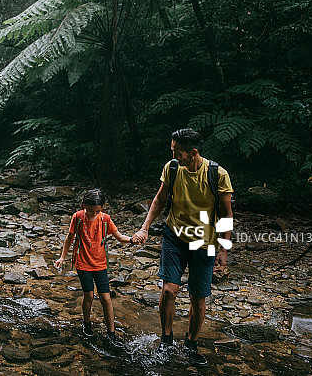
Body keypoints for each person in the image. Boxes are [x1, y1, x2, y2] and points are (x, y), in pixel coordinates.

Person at [131, 128, 233, 367]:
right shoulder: (172, 168)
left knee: (198, 298)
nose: (173, 154)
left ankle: (191, 343)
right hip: (174, 236)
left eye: (177, 152)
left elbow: (226, 213)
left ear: (193, 152)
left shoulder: (218, 174)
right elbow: (160, 199)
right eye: (173, 150)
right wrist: (145, 227)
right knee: (168, 290)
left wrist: (223, 248)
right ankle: (166, 340)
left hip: (203, 241)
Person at [54, 189, 132, 341]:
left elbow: (120, 237)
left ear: (102, 208)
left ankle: (111, 332)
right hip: (82, 262)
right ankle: (87, 323)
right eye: (89, 210)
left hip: (100, 263)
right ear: (84, 205)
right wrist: (62, 257)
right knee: (89, 295)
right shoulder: (77, 217)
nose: (92, 213)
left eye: (96, 211)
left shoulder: (105, 220)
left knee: (106, 298)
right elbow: (70, 238)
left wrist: (133, 240)